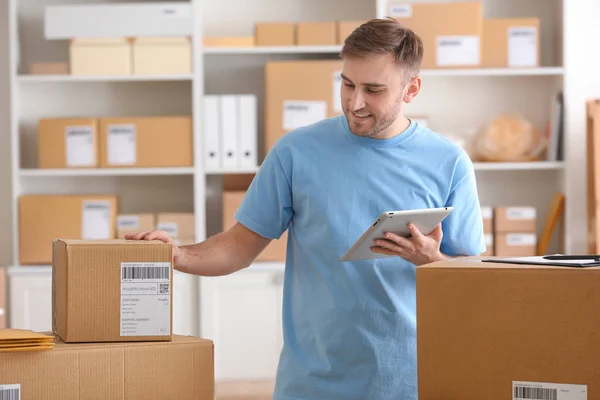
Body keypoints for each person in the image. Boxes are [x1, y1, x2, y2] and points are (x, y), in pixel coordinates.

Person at [127, 17, 486, 400]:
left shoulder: (449, 162)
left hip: (411, 381)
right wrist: (179, 255)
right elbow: (237, 247)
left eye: (374, 90)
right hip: (313, 384)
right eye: (347, 84)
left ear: (411, 89)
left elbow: (473, 281)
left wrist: (432, 261)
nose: (355, 102)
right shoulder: (296, 152)